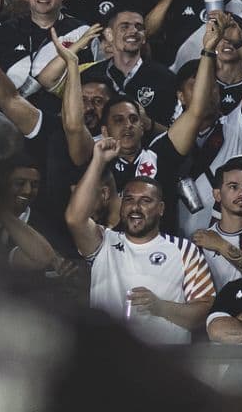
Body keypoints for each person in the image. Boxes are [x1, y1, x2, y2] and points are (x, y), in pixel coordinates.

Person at [66, 136, 216, 345]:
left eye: (146, 201)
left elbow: (203, 311)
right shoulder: (103, 243)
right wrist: (98, 161)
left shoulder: (184, 250)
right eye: (129, 200)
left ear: (161, 209)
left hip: (166, 365)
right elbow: (74, 218)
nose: (135, 207)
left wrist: (160, 307)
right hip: (108, 363)